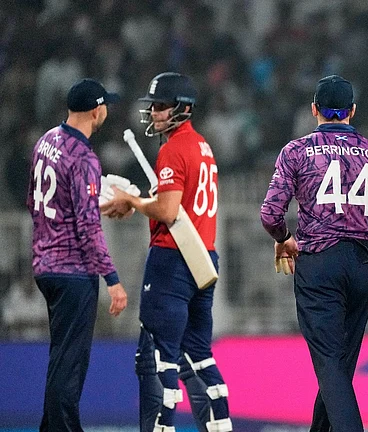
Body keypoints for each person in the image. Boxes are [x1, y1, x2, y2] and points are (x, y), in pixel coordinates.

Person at [260, 74, 368, 432]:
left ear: (314, 110)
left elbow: (269, 214)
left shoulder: (295, 151)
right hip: (363, 265)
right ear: (352, 111)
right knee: (338, 367)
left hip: (319, 263)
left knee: (329, 366)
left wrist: (284, 237)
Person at [102, 72, 232, 432]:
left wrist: (132, 200)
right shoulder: (203, 146)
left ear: (183, 108)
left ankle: (163, 428)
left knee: (159, 356)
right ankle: (221, 426)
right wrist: (147, 201)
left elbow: (169, 211)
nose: (155, 113)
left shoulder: (173, 148)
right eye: (154, 106)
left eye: (161, 106)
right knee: (200, 355)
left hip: (172, 258)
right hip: (203, 256)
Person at [27, 78, 128, 432]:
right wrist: (113, 280)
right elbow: (87, 227)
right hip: (73, 272)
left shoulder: (46, 142)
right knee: (69, 371)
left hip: (45, 266)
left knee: (60, 363)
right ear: (96, 110)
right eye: (105, 107)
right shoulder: (84, 157)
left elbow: (34, 202)